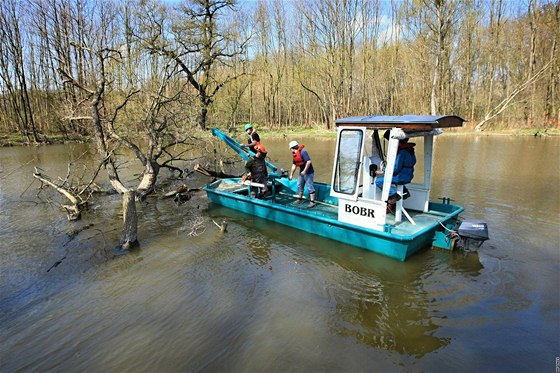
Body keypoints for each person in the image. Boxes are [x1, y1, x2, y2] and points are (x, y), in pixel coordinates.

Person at [375, 130, 416, 204]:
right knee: (391, 177)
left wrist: (383, 171)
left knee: (379, 181)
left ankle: (393, 195)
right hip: (409, 176)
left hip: (401, 177)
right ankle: (405, 192)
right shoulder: (410, 150)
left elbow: (396, 169)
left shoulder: (402, 153)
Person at [288, 140, 316, 208]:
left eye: (290, 148)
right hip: (302, 172)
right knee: (299, 184)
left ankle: (312, 202)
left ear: (292, 148)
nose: (290, 150)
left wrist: (304, 171)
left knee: (310, 186)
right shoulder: (295, 155)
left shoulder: (303, 152)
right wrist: (291, 175)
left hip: (308, 172)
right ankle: (299, 199)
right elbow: (294, 165)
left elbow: (308, 162)